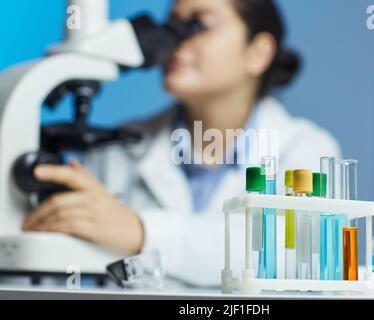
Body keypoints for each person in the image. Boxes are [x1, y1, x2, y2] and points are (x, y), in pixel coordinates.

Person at [22, 0, 340, 286]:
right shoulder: (118, 149)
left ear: (258, 53)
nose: (176, 41)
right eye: (172, 24)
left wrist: (140, 231)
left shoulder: (305, 151)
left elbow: (295, 254)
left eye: (199, 24)